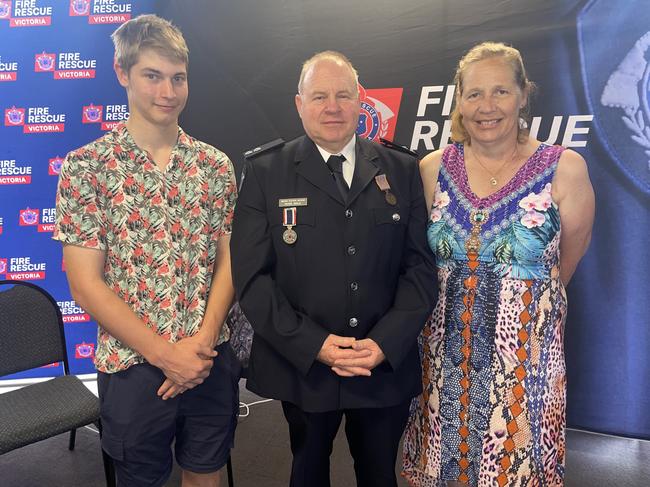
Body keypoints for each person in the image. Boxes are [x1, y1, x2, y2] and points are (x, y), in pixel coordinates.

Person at [230, 50, 438, 487]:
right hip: (305, 364)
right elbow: (252, 278)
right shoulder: (266, 171)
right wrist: (314, 345)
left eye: (343, 95)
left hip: (380, 364)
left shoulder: (401, 169)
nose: (332, 106)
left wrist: (384, 343)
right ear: (299, 104)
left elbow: (420, 269)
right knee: (307, 470)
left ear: (360, 101)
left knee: (380, 474)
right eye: (319, 95)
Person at [53, 14, 239, 487]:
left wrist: (198, 345)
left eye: (178, 78)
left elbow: (230, 261)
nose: (168, 92)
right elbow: (84, 283)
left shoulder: (215, 166)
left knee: (206, 473)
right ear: (122, 73)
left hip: (207, 358)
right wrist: (163, 354)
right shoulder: (87, 168)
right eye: (152, 76)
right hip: (133, 366)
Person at [402, 42, 595, 486]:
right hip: (444, 365)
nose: (487, 107)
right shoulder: (432, 168)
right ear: (460, 101)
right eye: (474, 94)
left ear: (523, 94)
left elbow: (566, 262)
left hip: (525, 370)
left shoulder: (564, 169)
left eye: (500, 92)